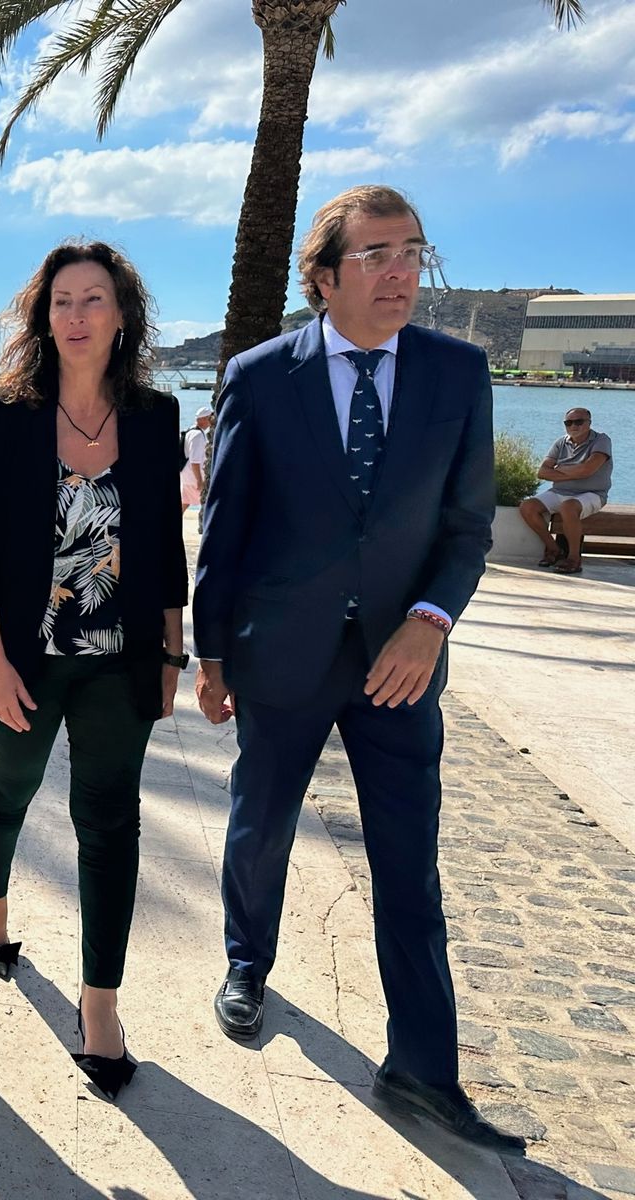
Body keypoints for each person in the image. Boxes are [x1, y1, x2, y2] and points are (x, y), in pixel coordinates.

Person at [193, 185, 523, 1154]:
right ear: (324, 277)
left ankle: (422, 1069)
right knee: (261, 825)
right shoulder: (260, 377)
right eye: (376, 254)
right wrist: (210, 652)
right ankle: (247, 963)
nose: (400, 271)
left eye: (412, 251)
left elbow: (466, 527)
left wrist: (429, 622)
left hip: (400, 668)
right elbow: (225, 528)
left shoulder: (458, 372)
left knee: (409, 865)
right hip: (281, 653)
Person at [0, 241, 187, 1101]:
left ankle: (100, 1003)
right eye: (62, 302)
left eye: (94, 300)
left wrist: (172, 651)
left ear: (123, 316)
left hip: (120, 663)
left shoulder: (156, 417)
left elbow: (165, 546)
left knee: (110, 823)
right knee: (7, 786)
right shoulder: (8, 412)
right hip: (21, 656)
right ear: (43, 318)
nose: (77, 316)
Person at [518, 407, 613, 574]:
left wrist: (560, 469)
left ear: (589, 423)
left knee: (568, 507)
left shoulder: (601, 440)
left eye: (579, 422)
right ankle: (553, 548)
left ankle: (574, 558)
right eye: (568, 423)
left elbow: (588, 470)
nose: (573, 426)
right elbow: (542, 472)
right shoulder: (561, 442)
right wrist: (577, 471)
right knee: (527, 506)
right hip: (559, 492)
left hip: (592, 493)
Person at [180, 405, 213, 512]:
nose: (212, 420)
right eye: (210, 417)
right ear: (203, 419)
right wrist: (199, 480)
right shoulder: (198, 435)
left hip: (186, 474)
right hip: (194, 477)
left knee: (185, 502)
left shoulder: (190, 431)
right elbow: (194, 461)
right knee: (208, 501)